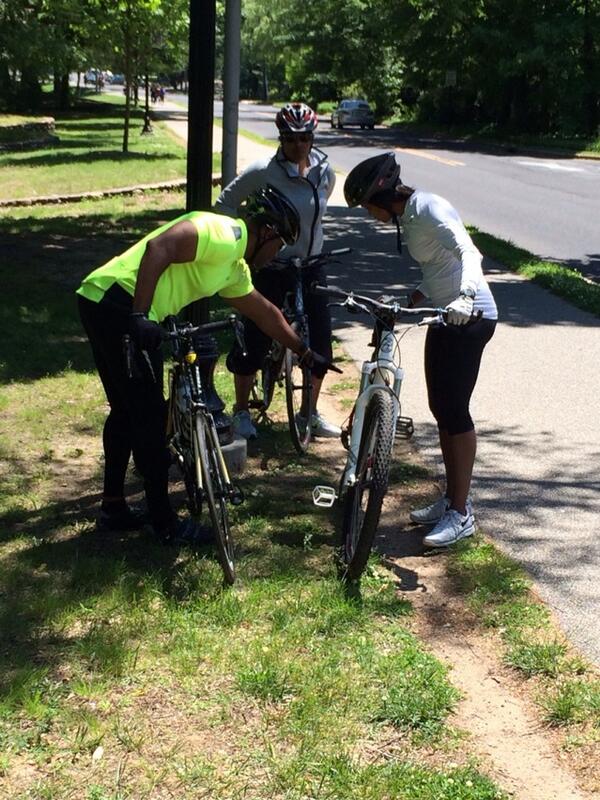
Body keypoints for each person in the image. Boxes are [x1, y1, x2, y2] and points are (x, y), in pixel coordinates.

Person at [77, 185, 333, 543]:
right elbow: (159, 247)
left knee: (126, 411)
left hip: (104, 301)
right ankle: (165, 524)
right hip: (117, 302)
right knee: (150, 418)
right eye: (280, 243)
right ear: (267, 232)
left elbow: (265, 314)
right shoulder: (223, 234)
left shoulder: (233, 268)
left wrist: (306, 353)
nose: (278, 253)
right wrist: (139, 316)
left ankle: (114, 507)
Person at [344, 153, 498, 548]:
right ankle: (451, 498)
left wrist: (465, 298)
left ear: (381, 198)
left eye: (366, 207)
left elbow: (468, 253)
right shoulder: (410, 218)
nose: (368, 215)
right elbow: (437, 271)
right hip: (445, 315)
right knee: (439, 408)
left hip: (472, 315)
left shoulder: (428, 207)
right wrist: (407, 301)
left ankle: (462, 514)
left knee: (455, 411)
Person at [215, 101, 341, 440]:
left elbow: (320, 206)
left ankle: (308, 413)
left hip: (312, 265)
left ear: (313, 138)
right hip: (273, 266)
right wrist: (244, 235)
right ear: (281, 140)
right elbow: (225, 203)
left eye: (304, 138)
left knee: (321, 346)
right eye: (290, 139)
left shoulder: (324, 172)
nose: (297, 145)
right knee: (254, 342)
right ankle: (241, 411)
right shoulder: (262, 171)